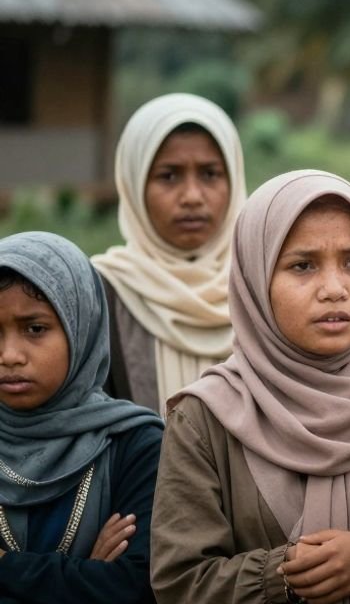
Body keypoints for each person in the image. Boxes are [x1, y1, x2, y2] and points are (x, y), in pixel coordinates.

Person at [150, 170, 350, 604]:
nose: (334, 290)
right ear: (256, 280)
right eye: (302, 265)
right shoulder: (205, 417)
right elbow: (181, 581)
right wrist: (286, 575)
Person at [0, 233, 164, 604]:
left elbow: (136, 586)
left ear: (81, 327)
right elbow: (107, 588)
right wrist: (85, 577)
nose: (9, 354)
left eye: (35, 329)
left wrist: (6, 567)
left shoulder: (136, 444)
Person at [91, 93, 246, 413]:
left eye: (209, 174)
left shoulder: (261, 282)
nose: (191, 196)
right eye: (169, 175)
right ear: (133, 184)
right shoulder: (99, 293)